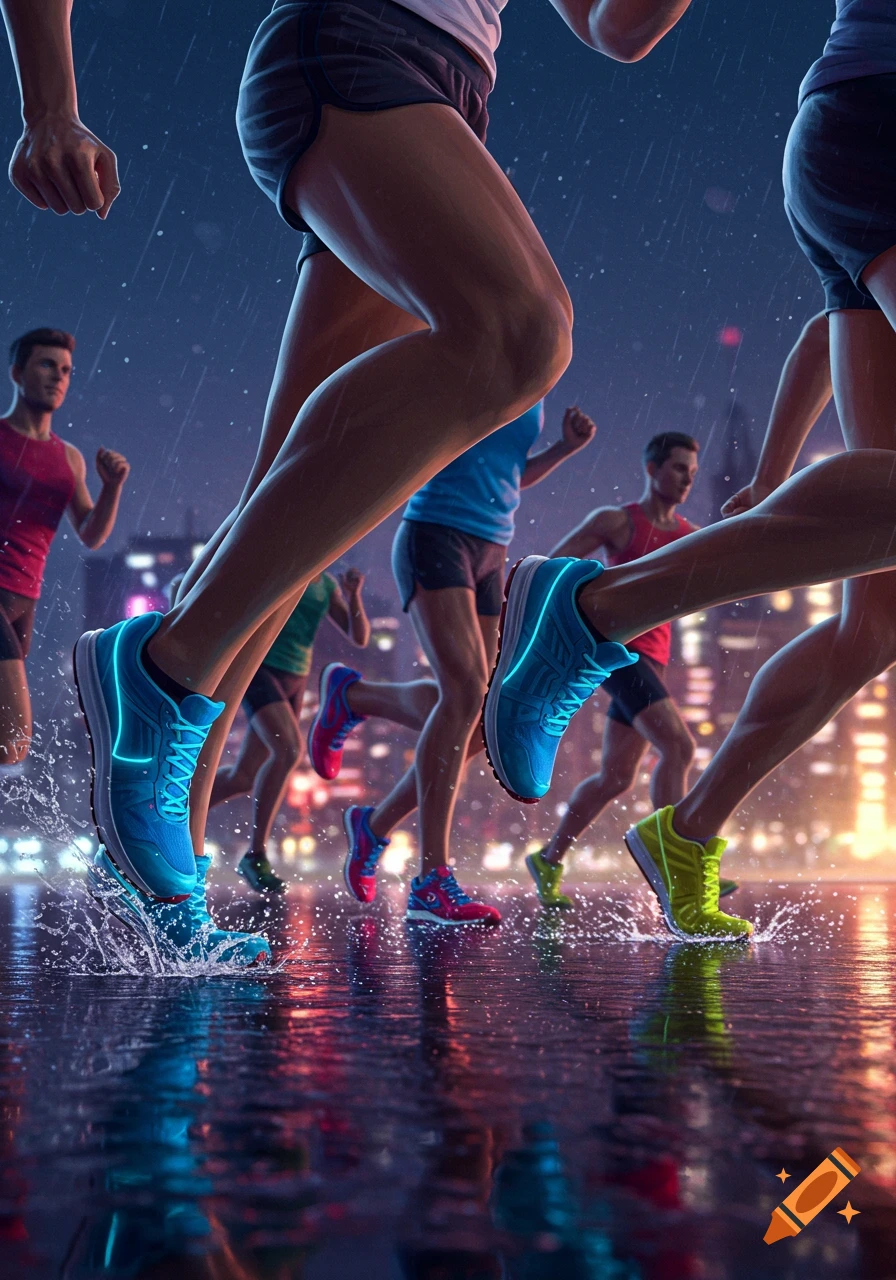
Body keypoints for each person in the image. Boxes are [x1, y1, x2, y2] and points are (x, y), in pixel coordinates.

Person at [6, 0, 695, 935]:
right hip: (356, 49)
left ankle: (166, 873)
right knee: (521, 333)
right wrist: (50, 105)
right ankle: (161, 672)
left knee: (282, 519)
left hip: (442, 93)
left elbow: (617, 28)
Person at [483, 0, 896, 941]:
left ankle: (690, 830)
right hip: (877, 119)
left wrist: (778, 464)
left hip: (849, 132)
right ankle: (593, 611)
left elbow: (841, 318)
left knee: (876, 622)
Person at [308, 402, 596, 924]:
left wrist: (563, 449)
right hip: (436, 532)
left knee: (483, 716)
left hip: (493, 548)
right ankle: (430, 880)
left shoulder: (534, 379)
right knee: (464, 695)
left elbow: (507, 472)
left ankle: (368, 782)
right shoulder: (474, 357)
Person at [521, 430, 737, 909]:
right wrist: (593, 602)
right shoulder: (618, 522)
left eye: (693, 473)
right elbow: (554, 565)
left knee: (617, 777)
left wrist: (742, 526)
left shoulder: (688, 535)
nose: (687, 479)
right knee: (679, 746)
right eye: (679, 468)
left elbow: (733, 563)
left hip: (653, 661)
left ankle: (549, 859)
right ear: (652, 468)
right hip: (617, 652)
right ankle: (676, 858)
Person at [1, 327, 129, 767]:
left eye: (66, 370)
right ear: (17, 373)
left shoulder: (69, 458)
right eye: (46, 365)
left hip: (23, 605)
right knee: (13, 742)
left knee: (8, 746)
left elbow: (91, 534)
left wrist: (112, 487)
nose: (58, 376)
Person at [210, 567, 370, 894]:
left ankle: (177, 814)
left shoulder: (325, 584)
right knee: (288, 751)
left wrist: (353, 595)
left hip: (295, 678)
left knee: (243, 777)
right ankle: (255, 854)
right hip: (260, 669)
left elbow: (360, 637)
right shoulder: (286, 562)